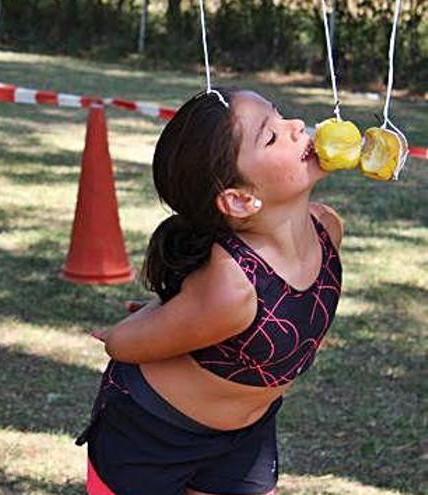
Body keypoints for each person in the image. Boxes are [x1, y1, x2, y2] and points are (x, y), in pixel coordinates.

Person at [77, 88, 344, 495]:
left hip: (246, 434)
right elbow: (124, 345)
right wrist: (120, 331)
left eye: (280, 116)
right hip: (152, 436)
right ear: (239, 199)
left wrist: (173, 309)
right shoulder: (234, 287)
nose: (295, 126)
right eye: (270, 136)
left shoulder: (327, 227)